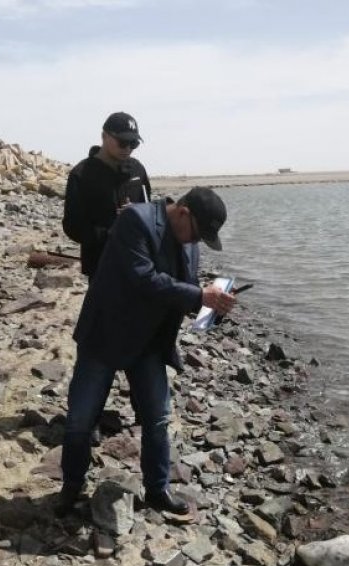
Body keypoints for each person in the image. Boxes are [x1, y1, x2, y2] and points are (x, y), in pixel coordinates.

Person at [56, 187, 237, 517]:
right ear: (183, 213)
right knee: (81, 419)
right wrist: (201, 296)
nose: (196, 242)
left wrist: (215, 309)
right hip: (105, 335)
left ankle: (157, 489)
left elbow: (184, 294)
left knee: (157, 418)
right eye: (197, 233)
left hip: (149, 343)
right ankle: (71, 487)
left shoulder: (188, 242)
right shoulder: (134, 220)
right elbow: (144, 278)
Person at [61, 111, 152, 277]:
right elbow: (72, 226)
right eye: (123, 142)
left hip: (139, 264)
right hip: (102, 267)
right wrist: (113, 229)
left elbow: (150, 212)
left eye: (133, 144)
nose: (128, 149)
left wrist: (138, 213)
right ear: (104, 136)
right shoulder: (81, 174)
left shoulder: (137, 170)